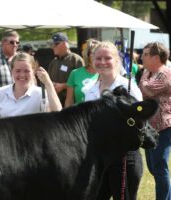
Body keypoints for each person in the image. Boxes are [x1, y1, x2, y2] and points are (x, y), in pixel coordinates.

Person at [83, 41, 143, 200]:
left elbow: (140, 123)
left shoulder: (129, 87)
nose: (102, 62)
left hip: (124, 157)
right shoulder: (89, 90)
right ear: (92, 60)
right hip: (98, 157)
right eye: (98, 58)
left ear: (116, 60)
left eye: (107, 58)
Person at [139, 42, 171, 200]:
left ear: (156, 57)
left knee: (159, 167)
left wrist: (144, 75)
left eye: (145, 54)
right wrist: (145, 76)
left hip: (164, 127)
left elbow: (148, 90)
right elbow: (143, 88)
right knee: (153, 167)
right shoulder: (151, 73)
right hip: (150, 127)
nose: (141, 57)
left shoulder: (165, 74)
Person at [0, 52, 62, 117]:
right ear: (11, 71)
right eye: (18, 71)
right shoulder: (0, 93)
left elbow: (58, 114)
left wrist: (48, 83)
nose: (22, 75)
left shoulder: (41, 93)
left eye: (26, 71)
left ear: (33, 72)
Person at [47, 32, 85, 105]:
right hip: (56, 102)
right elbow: (49, 80)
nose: (53, 46)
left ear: (65, 44)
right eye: (52, 44)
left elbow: (83, 82)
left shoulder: (76, 60)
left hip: (73, 103)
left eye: (56, 44)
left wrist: (63, 86)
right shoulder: (53, 62)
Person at [65, 39, 100, 107]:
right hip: (80, 116)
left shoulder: (106, 74)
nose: (97, 56)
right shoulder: (75, 73)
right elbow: (69, 101)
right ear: (87, 54)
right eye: (94, 52)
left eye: (99, 53)